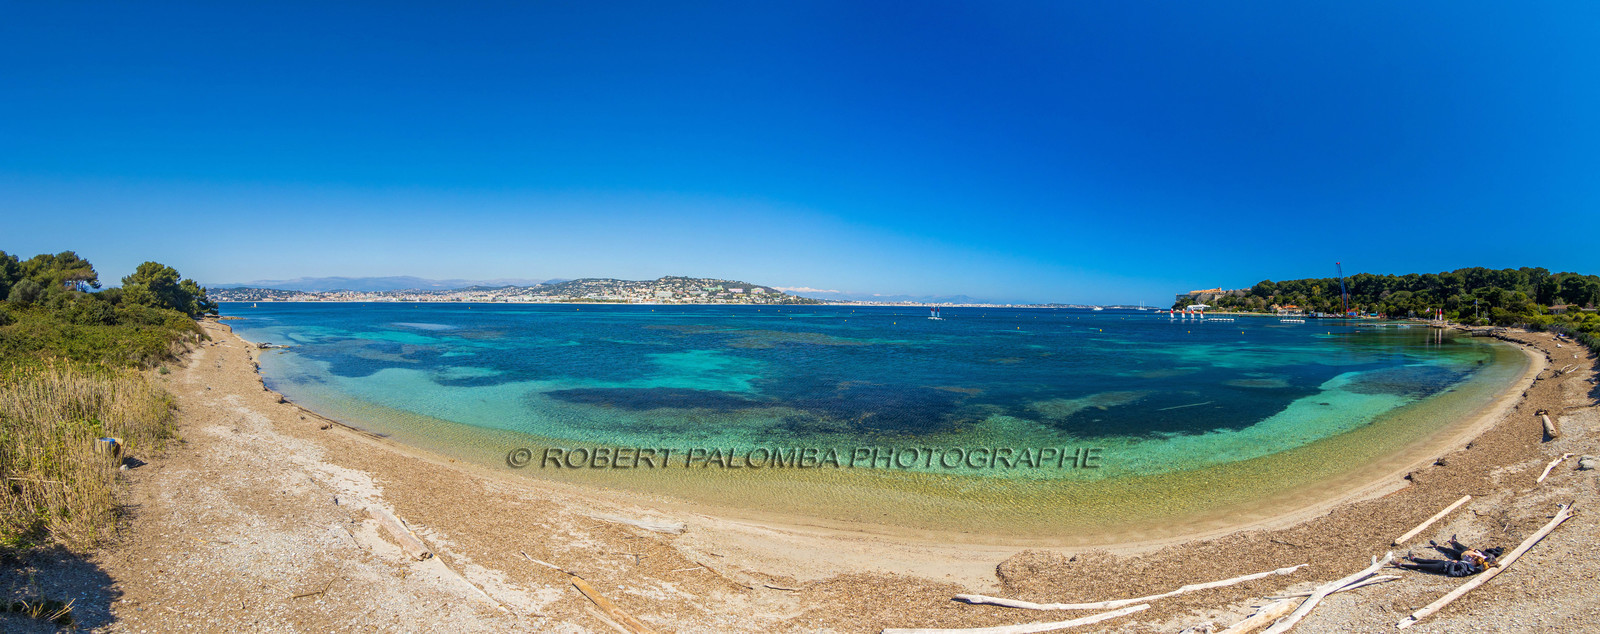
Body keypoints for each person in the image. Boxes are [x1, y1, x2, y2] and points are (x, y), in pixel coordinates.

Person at [1396, 536, 1505, 577]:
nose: (1471, 558)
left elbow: (1452, 574)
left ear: (1475, 563)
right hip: (1445, 563)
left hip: (1444, 567)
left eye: (1473, 559)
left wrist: (1453, 564)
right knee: (1426, 561)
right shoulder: (1477, 560)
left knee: (1421, 566)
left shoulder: (1468, 569)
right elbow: (1490, 558)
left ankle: (1401, 564)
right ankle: (1413, 558)